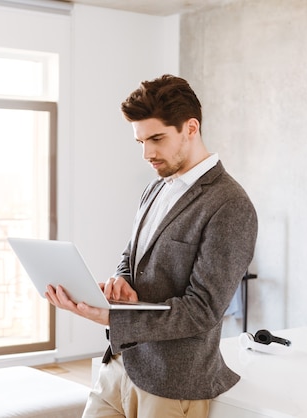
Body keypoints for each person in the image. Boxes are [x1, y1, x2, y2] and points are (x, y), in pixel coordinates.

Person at [45, 74, 258, 418]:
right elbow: (131, 255)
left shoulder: (230, 204)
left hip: (172, 385)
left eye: (156, 138)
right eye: (140, 141)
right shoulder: (155, 188)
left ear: (191, 127)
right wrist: (121, 282)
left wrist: (111, 318)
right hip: (118, 366)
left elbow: (202, 310)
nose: (147, 153)